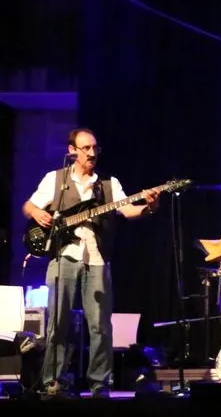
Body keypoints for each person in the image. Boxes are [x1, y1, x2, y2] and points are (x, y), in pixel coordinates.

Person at [23, 128, 160, 398]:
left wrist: (149, 206)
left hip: (97, 259)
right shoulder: (56, 179)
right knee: (58, 323)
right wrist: (38, 212)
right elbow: (28, 206)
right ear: (72, 150)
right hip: (63, 257)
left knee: (100, 325)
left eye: (95, 148)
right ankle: (54, 381)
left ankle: (100, 384)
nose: (92, 153)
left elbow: (127, 210)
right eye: (86, 148)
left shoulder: (109, 185)